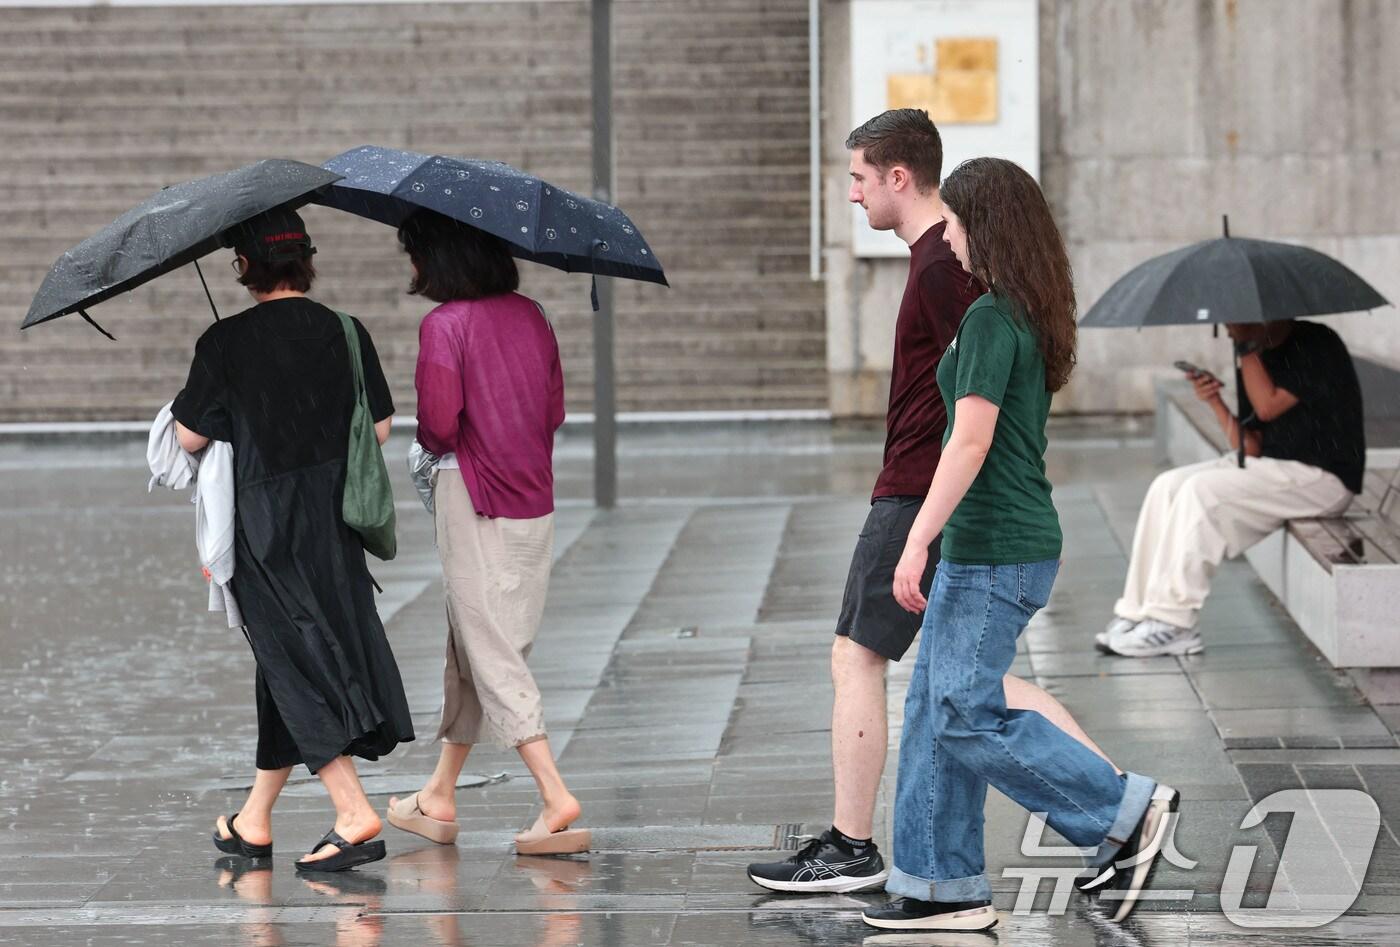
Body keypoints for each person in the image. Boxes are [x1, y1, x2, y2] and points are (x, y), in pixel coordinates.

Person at [747, 110, 1120, 895]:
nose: (850, 194)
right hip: (929, 492)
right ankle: (950, 873)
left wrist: (921, 528)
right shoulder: (945, 269)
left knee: (886, 665)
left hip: (927, 491)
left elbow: (987, 409)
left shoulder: (950, 274)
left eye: (857, 177)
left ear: (897, 176)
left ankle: (862, 844)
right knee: (953, 685)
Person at [862, 157, 1178, 932]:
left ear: (983, 226)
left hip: (996, 548)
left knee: (964, 712)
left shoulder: (991, 318)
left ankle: (1120, 810)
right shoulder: (1018, 313)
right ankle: (941, 888)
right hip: (995, 545)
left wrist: (914, 542)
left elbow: (967, 444)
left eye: (957, 221)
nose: (950, 235)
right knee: (939, 711)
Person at [174, 207, 414, 872]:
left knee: (292, 659)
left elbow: (189, 438)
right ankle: (253, 819)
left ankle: (353, 812)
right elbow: (385, 427)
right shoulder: (345, 329)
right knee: (288, 661)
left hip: (265, 527)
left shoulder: (224, 343)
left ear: (245, 265)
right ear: (306, 259)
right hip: (333, 517)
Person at [384, 210, 586, 856]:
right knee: (472, 643)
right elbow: (553, 409)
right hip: (534, 495)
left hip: (473, 495)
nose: (412, 267)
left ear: (438, 259)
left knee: (489, 646)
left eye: (414, 254)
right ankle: (439, 793)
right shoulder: (532, 316)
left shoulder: (445, 326)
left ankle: (555, 796)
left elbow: (440, 424)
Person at [1100, 320, 1362, 657]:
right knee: (1167, 485)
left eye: (1233, 319)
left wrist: (1246, 345)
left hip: (1323, 478)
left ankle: (1174, 623)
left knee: (1201, 491)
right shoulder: (1256, 349)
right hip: (1270, 467)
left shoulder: (1315, 343)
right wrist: (1215, 402)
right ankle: (1137, 612)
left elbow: (1267, 406)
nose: (1226, 327)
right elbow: (1249, 446)